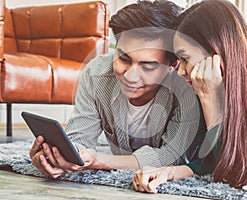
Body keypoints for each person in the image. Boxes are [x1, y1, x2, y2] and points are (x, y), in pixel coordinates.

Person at [133, 0, 247, 192]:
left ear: (217, 53)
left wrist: (211, 102)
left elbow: (238, 173)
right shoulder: (217, 90)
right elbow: (212, 160)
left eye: (185, 59)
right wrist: (169, 172)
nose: (180, 71)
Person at [29, 0, 205, 178]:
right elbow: (79, 140)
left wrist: (99, 161)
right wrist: (59, 157)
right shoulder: (96, 74)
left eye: (147, 66)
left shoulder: (186, 86)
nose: (130, 76)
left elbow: (172, 156)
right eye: (124, 58)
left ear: (172, 65)